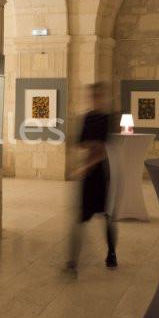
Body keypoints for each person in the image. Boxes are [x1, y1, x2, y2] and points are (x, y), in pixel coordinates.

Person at [66, 82, 117, 273]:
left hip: (99, 174)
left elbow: (103, 148)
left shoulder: (107, 119)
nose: (94, 100)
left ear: (102, 97)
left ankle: (111, 253)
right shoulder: (87, 117)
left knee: (106, 216)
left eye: (97, 96)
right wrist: (91, 148)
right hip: (88, 174)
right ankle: (73, 261)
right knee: (80, 218)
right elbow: (81, 143)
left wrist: (87, 164)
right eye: (92, 96)